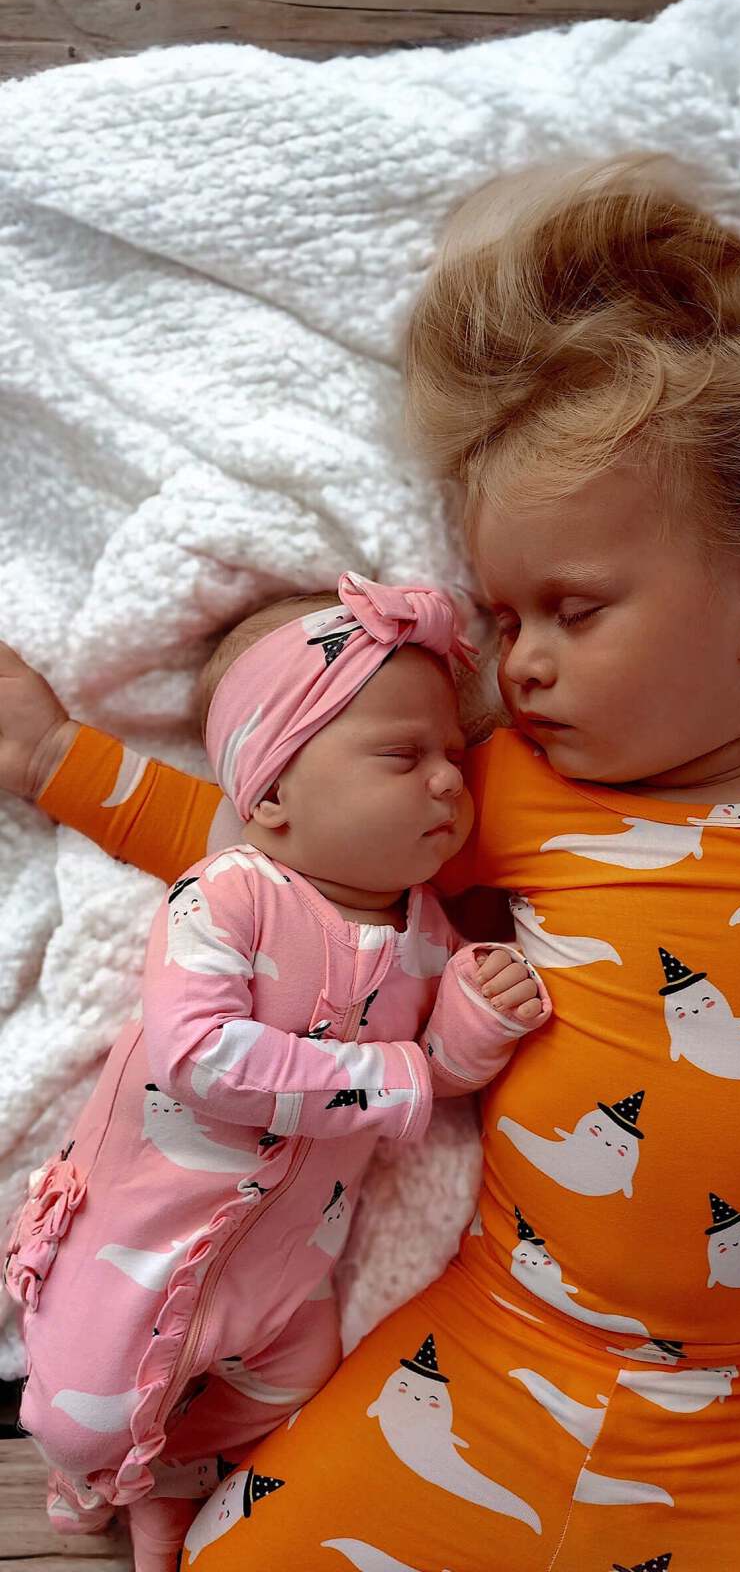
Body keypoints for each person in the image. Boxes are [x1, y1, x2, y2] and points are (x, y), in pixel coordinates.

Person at [0, 150, 740, 1570]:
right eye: (501, 613)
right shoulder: (511, 795)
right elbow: (273, 858)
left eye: (573, 610)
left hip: (714, 1429)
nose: (517, 663)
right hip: (481, 1360)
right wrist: (55, 763)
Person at [1, 573, 550, 1570]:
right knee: (80, 1417)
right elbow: (200, 1054)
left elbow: (441, 1076)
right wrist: (404, 1072)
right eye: (403, 754)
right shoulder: (230, 894)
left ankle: (170, 1482)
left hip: (289, 1267)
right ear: (274, 791)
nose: (446, 782)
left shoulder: (425, 933)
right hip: (142, 1245)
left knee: (296, 1388)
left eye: (452, 759)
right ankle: (109, 1474)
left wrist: (474, 1016)